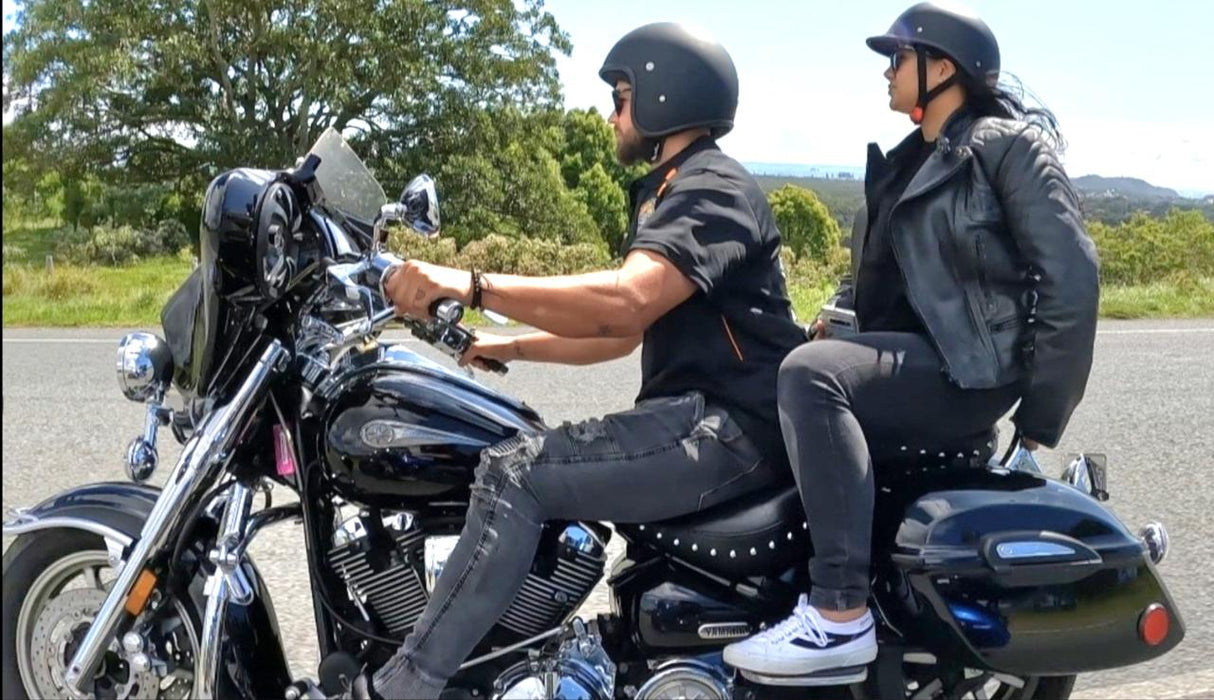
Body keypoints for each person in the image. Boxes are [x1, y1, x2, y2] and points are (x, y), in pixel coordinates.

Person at [338, 22, 808, 699]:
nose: (612, 115)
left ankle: (403, 687)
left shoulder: (711, 190)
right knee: (514, 445)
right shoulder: (675, 188)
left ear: (667, 97)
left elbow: (624, 303)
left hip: (728, 430)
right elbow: (617, 334)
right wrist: (503, 344)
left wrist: (469, 285)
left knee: (515, 474)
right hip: (705, 421)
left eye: (622, 97)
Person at [724, 0, 1100, 679]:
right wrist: (836, 319)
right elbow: (883, 275)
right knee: (781, 365)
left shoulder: (1006, 147)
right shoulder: (909, 160)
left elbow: (1071, 277)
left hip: (969, 371)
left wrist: (1041, 416)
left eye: (899, 57)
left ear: (943, 67)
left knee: (812, 376)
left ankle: (838, 613)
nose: (887, 71)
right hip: (916, 359)